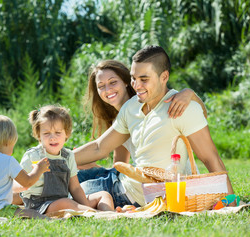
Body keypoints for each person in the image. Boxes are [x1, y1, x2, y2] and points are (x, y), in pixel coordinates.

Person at [74, 45, 234, 207]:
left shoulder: (181, 107)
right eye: (134, 78)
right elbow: (99, 147)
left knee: (67, 192)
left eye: (144, 79)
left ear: (164, 77)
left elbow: (210, 157)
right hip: (122, 184)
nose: (136, 85)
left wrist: (231, 201)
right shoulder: (130, 108)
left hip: (137, 195)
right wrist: (57, 157)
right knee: (66, 180)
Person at [19, 105, 114, 214]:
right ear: (39, 135)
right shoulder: (32, 156)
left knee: (104, 195)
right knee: (66, 203)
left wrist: (85, 206)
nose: (52, 137)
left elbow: (75, 188)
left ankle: (107, 215)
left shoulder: (68, 156)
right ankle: (101, 214)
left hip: (64, 201)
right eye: (46, 133)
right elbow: (20, 183)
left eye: (58, 133)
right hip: (39, 205)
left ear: (67, 133)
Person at [0, 114, 51, 219]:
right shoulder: (8, 161)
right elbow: (27, 183)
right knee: (32, 213)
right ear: (8, 141)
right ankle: (53, 221)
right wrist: (39, 169)